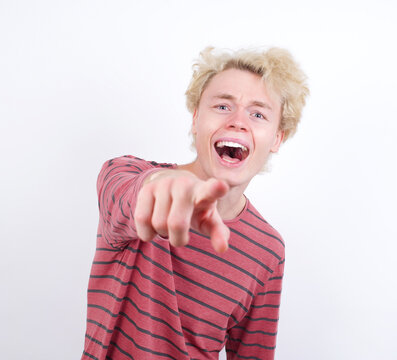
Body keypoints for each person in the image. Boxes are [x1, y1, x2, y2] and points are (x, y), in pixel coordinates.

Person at [82, 46, 309, 360]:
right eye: (222, 105)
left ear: (276, 139)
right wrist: (158, 185)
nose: (238, 121)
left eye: (258, 114)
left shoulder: (269, 250)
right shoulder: (126, 174)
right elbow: (126, 196)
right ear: (196, 119)